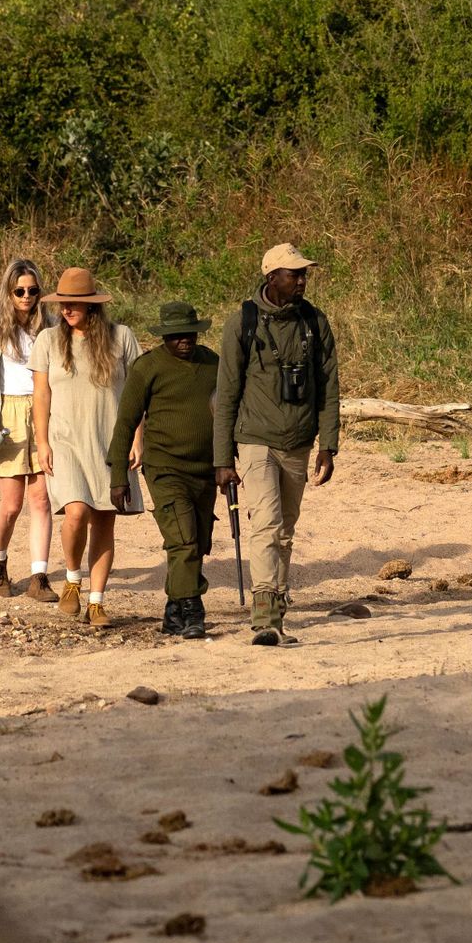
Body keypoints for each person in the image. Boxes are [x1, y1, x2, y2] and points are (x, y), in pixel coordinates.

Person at [212, 241, 338, 645]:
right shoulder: (243, 323)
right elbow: (227, 391)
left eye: (304, 273)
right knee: (265, 523)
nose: (302, 280)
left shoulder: (315, 322)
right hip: (255, 440)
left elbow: (329, 386)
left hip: (299, 440)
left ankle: (279, 609)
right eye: (294, 273)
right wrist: (222, 458)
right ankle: (264, 617)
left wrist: (328, 445)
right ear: (272, 277)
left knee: (285, 529)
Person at [30, 265, 142, 628]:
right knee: (76, 512)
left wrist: (138, 437)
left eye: (75, 302)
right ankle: (72, 580)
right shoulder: (48, 340)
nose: (67, 308)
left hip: (111, 441)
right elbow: (41, 395)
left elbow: (139, 393)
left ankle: (97, 601)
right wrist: (42, 442)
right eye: (63, 302)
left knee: (105, 519)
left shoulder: (120, 337)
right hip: (65, 441)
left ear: (93, 305)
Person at [112, 299, 224, 639]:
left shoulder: (214, 364)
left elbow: (229, 414)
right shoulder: (148, 368)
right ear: (164, 336)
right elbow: (125, 423)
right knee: (183, 538)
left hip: (206, 469)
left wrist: (230, 462)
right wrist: (119, 477)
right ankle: (193, 611)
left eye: (189, 334)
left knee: (199, 541)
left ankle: (173, 612)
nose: (184, 340)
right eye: (176, 336)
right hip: (164, 468)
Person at [0, 256, 57, 599]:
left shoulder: (48, 326)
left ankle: (39, 577)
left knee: (42, 500)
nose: (26, 296)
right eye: (19, 290)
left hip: (42, 410)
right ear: (8, 291)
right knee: (11, 504)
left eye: (33, 290)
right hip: (9, 413)